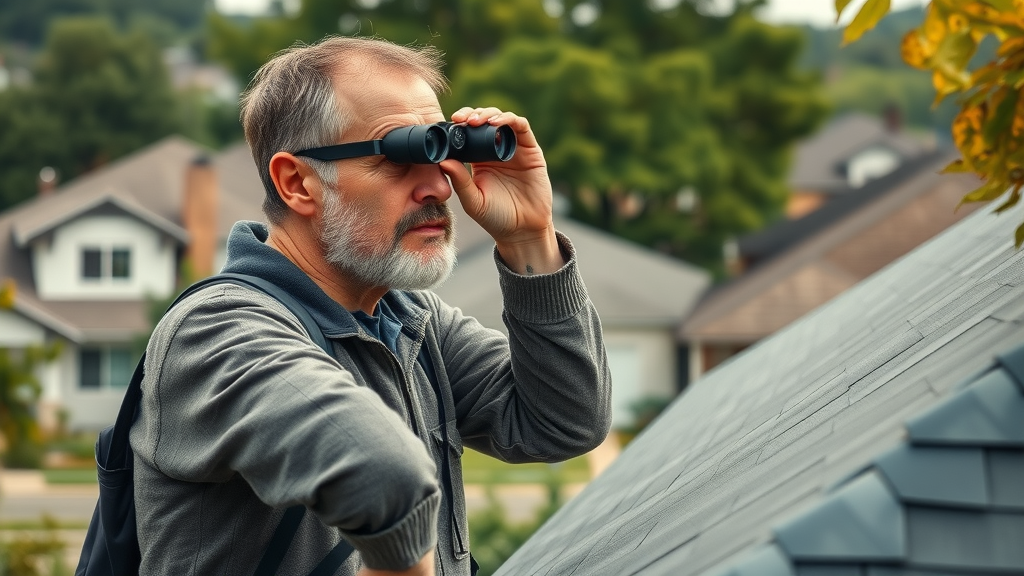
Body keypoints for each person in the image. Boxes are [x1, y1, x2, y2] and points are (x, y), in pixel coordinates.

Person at [130, 35, 612, 576]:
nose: (439, 186)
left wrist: (529, 237)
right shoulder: (216, 333)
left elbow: (565, 420)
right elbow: (386, 477)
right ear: (298, 183)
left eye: (445, 151)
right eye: (400, 156)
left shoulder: (410, 323)